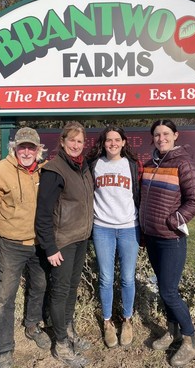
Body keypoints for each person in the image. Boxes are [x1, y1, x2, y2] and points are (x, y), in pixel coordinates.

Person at [0, 127, 51, 368]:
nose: (27, 151)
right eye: (22, 147)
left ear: (38, 150)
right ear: (14, 148)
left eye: (31, 147)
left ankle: (31, 325)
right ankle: (5, 348)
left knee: (39, 286)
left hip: (39, 244)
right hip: (10, 245)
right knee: (4, 298)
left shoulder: (46, 170)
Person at [139, 119, 195, 367]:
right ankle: (173, 330)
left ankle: (191, 340)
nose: (161, 138)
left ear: (175, 135)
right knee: (164, 290)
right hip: (152, 237)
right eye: (157, 134)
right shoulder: (149, 164)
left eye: (166, 133)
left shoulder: (184, 163)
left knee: (168, 291)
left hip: (171, 239)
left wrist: (173, 220)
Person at [35, 121, 94, 368]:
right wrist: (50, 247)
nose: (75, 145)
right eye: (71, 140)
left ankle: (68, 330)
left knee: (71, 289)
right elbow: (43, 214)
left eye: (80, 141)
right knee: (59, 292)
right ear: (62, 141)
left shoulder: (83, 167)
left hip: (80, 238)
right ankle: (60, 344)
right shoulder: (54, 170)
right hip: (62, 242)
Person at [86, 126, 142, 348]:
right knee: (106, 278)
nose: (112, 143)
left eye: (117, 139)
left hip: (129, 228)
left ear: (124, 142)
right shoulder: (95, 165)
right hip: (103, 228)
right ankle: (108, 321)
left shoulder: (132, 165)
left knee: (128, 278)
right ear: (103, 143)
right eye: (108, 140)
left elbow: (138, 193)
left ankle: (127, 320)